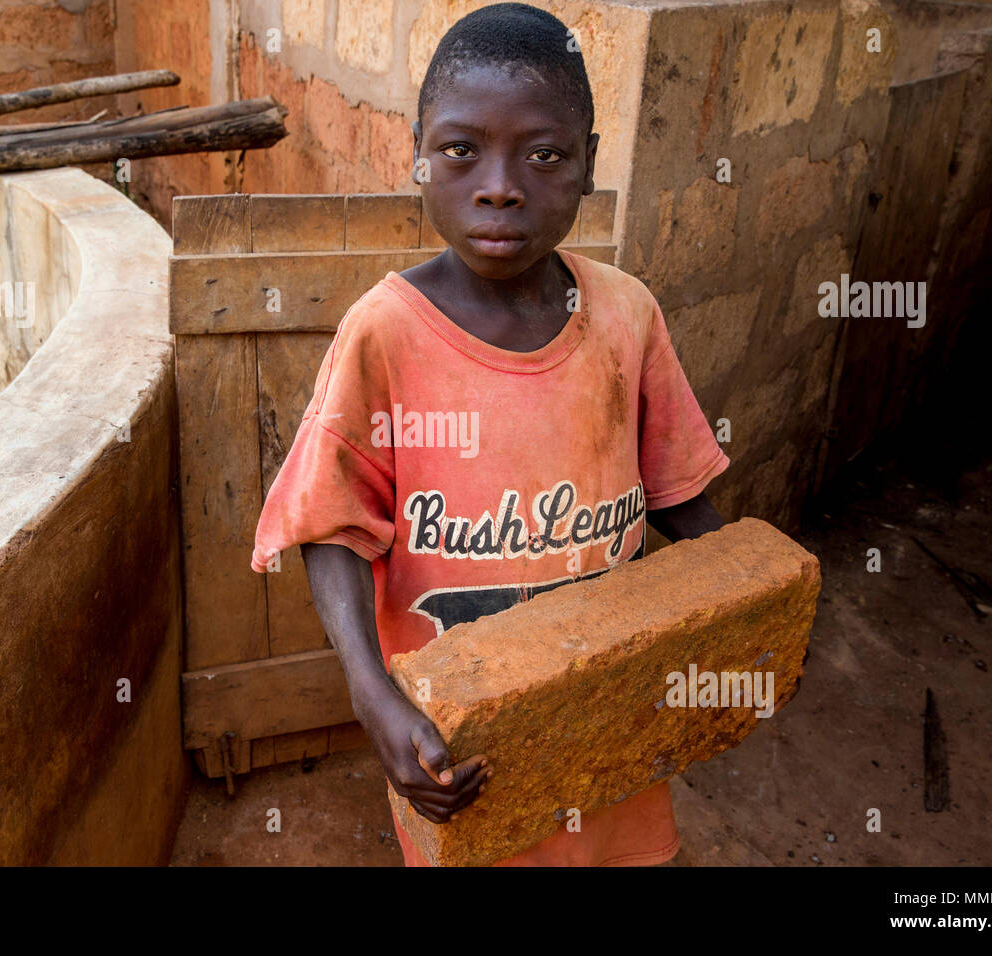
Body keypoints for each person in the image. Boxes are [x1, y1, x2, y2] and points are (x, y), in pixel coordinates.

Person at [251, 1, 730, 866]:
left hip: (608, 707)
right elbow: (331, 526)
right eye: (462, 149)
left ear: (587, 168)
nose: (501, 183)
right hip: (460, 737)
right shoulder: (384, 334)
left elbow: (683, 495)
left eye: (544, 155)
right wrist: (372, 695)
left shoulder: (625, 315)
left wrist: (751, 591)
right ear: (419, 157)